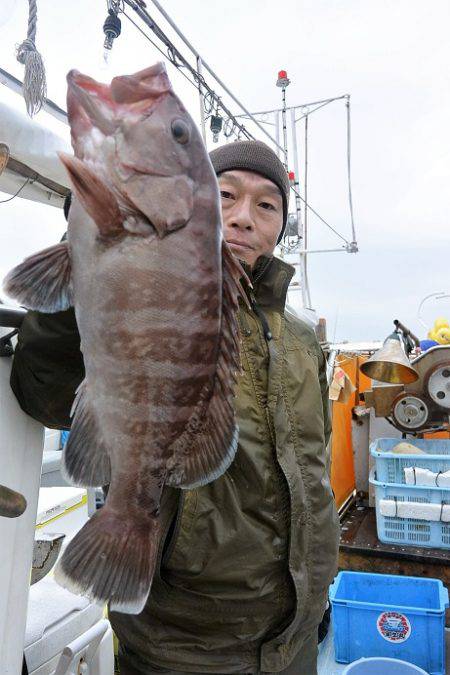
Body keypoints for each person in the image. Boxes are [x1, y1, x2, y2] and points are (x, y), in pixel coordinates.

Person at [10, 140, 340, 674]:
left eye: (265, 205)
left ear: (281, 225)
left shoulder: (302, 339)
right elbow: (46, 388)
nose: (242, 219)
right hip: (182, 647)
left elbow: (313, 468)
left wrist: (315, 596)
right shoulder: (147, 303)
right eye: (226, 195)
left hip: (295, 635)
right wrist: (88, 244)